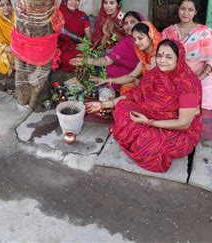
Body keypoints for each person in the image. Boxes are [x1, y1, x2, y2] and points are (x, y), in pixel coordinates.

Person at [85, 39, 202, 173]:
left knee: (152, 147)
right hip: (148, 113)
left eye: (169, 57)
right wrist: (102, 105)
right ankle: (135, 135)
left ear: (178, 59)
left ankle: (136, 138)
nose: (162, 60)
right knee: (122, 107)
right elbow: (134, 96)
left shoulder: (189, 84)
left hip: (175, 127)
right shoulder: (155, 74)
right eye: (159, 55)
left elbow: (184, 123)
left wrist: (149, 122)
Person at [69, 11, 144, 90]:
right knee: (104, 71)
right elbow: (107, 60)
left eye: (133, 22)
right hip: (126, 70)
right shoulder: (125, 41)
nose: (129, 26)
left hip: (142, 74)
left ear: (141, 23)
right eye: (126, 23)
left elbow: (135, 73)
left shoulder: (150, 39)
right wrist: (84, 60)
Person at [92, 21, 161, 89]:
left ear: (151, 36)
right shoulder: (145, 57)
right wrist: (105, 80)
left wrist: (137, 82)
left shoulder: (158, 57)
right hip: (148, 89)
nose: (137, 42)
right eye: (134, 39)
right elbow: (130, 76)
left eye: (140, 38)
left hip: (158, 94)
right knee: (126, 87)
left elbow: (155, 85)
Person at [57, 0, 92, 72]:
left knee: (87, 54)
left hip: (78, 47)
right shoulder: (58, 16)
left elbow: (89, 38)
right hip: (62, 47)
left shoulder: (83, 16)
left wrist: (86, 45)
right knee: (62, 58)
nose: (74, 2)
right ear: (64, 0)